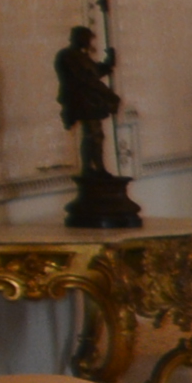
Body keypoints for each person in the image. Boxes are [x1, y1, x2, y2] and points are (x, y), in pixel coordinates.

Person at [56, 21, 140, 230]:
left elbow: (93, 72)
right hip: (82, 101)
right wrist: (108, 94)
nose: (89, 42)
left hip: (90, 100)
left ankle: (98, 168)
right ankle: (91, 169)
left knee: (97, 135)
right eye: (87, 38)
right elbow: (86, 79)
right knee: (92, 134)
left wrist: (107, 64)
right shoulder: (69, 56)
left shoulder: (81, 56)